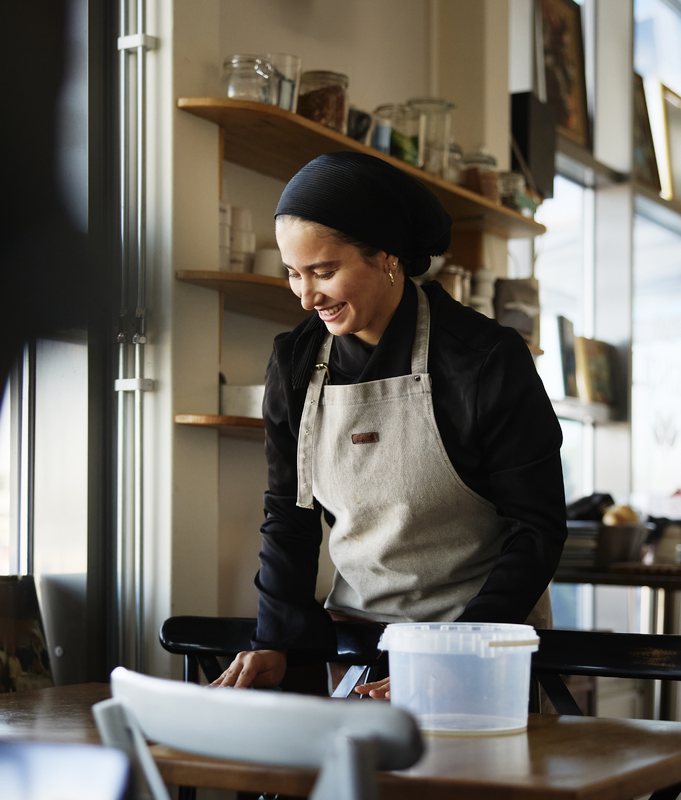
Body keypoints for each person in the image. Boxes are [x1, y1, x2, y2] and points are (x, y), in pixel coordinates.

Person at [210, 152, 566, 697]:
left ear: (386, 256)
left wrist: (456, 654)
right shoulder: (295, 363)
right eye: (293, 274)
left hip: (477, 644)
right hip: (358, 643)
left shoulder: (484, 360)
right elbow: (290, 514)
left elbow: (536, 529)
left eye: (324, 272)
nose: (306, 297)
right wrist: (273, 638)